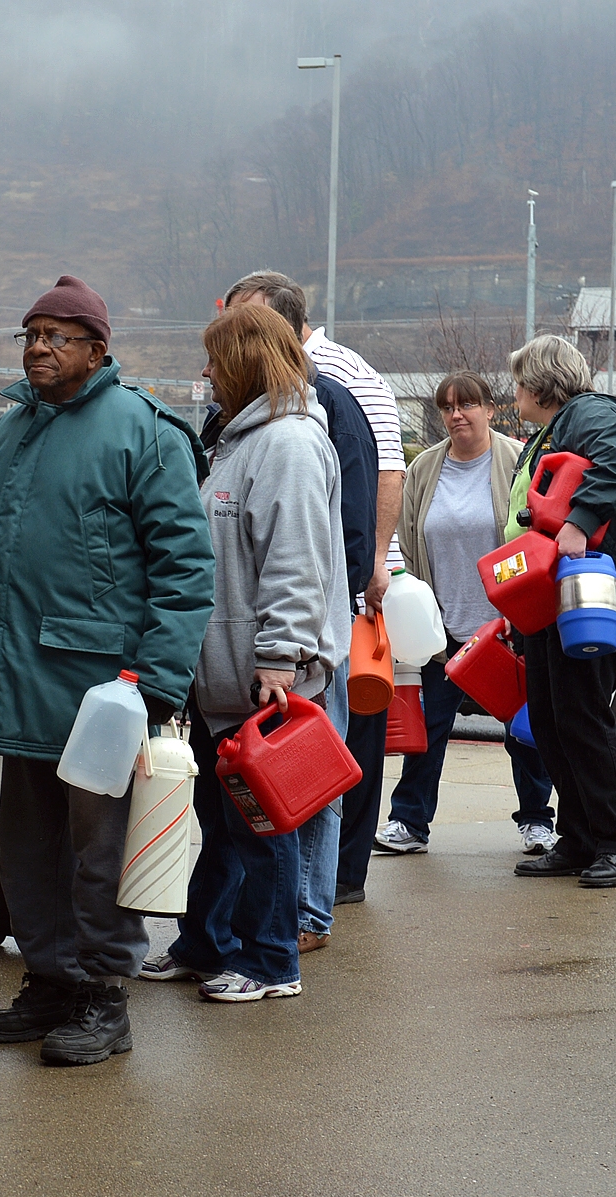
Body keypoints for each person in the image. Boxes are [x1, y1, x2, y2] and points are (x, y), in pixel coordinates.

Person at [0, 275, 214, 1066]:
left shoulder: (145, 432)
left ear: (98, 349)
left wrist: (155, 683)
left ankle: (102, 995)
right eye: (31, 333)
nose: (40, 347)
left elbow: (186, 570)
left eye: (59, 335)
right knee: (28, 847)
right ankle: (51, 979)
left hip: (103, 694)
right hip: (18, 683)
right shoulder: (4, 437)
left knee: (99, 852)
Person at [140, 304, 347, 1001]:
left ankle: (269, 962)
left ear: (245, 363)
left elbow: (295, 561)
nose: (204, 372)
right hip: (224, 677)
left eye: (214, 358)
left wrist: (280, 657)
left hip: (259, 678)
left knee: (262, 827)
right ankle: (206, 941)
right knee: (223, 823)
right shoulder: (240, 440)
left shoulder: (285, 444)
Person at [216, 274, 379, 933]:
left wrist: (312, 627)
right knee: (266, 790)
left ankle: (305, 915)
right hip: (269, 632)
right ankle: (265, 918)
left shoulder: (319, 411)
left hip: (300, 633)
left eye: (240, 331)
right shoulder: (241, 417)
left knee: (304, 778)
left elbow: (339, 524)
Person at [504, 336, 616, 888]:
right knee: (551, 716)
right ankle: (579, 839)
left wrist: (579, 521)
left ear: (536, 384)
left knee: (580, 711)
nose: (514, 394)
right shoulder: (551, 431)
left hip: (604, 584)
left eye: (517, 383)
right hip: (559, 588)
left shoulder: (590, 413)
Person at [376, 373, 557, 857]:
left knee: (522, 729)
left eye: (468, 404)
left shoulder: (517, 459)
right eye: (448, 407)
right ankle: (409, 822)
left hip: (504, 626)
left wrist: (521, 611)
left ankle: (538, 822)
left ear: (490, 409)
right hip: (443, 628)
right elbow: (411, 538)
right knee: (428, 728)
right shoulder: (424, 469)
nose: (457, 414)